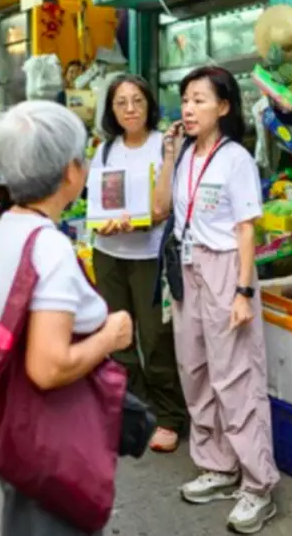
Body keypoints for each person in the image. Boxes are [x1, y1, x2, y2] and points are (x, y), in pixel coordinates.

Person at [0, 100, 134, 536]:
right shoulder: (49, 247)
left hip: (18, 425)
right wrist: (112, 334)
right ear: (71, 172)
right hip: (52, 437)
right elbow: (48, 367)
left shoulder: (7, 229)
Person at [153, 65, 278, 533]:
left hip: (227, 269)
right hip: (187, 268)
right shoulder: (184, 154)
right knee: (196, 370)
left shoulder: (236, 159)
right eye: (185, 98)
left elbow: (247, 228)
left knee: (236, 377)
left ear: (224, 107)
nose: (188, 108)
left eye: (200, 99)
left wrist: (244, 291)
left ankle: (258, 485)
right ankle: (219, 466)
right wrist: (167, 156)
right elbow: (160, 208)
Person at [90, 74, 186, 452]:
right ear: (112, 110)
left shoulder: (164, 145)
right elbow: (99, 200)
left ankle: (170, 415)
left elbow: (167, 204)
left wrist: (145, 216)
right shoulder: (105, 149)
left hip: (149, 255)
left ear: (149, 105)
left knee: (156, 338)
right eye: (121, 103)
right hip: (109, 252)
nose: (130, 109)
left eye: (137, 101)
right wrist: (104, 224)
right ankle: (141, 409)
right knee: (118, 338)